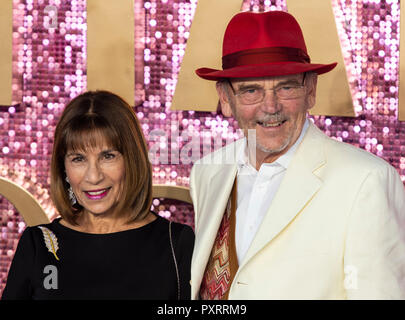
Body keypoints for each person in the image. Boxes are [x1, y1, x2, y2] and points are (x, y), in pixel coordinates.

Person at [189, 11, 405, 299]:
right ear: (226, 99)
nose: (270, 106)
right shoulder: (207, 172)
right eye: (251, 90)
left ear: (311, 90)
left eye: (286, 87)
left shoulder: (366, 181)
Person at [2, 90, 194, 300]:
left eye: (108, 156)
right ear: (63, 168)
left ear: (132, 160)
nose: (93, 177)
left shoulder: (176, 243)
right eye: (78, 159)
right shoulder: (39, 243)